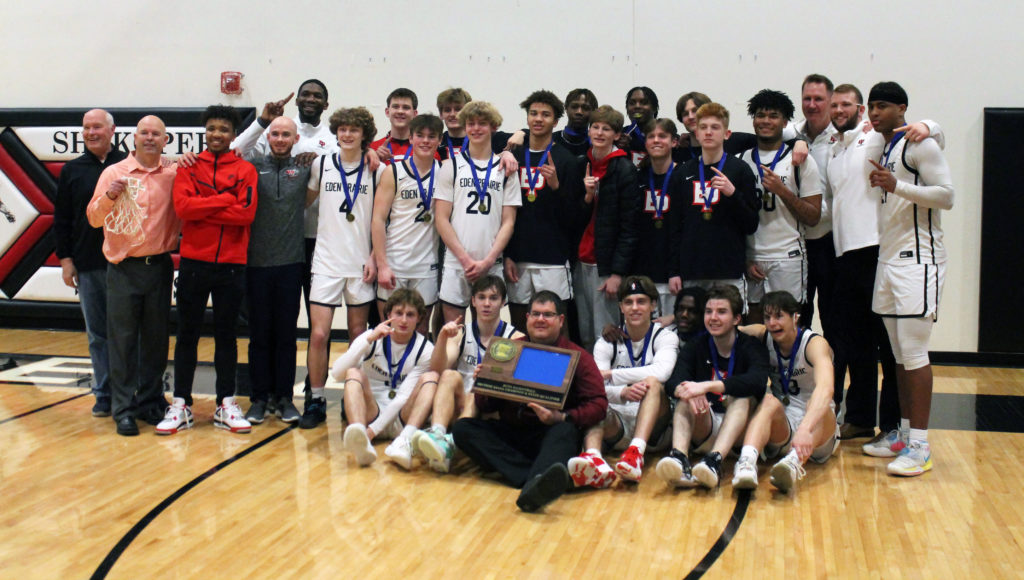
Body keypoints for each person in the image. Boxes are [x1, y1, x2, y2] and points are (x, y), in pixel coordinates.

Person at [826, 84, 943, 441]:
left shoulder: (874, 138)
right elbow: (797, 128)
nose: (838, 109)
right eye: (834, 105)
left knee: (895, 349)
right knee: (857, 345)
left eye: (847, 104)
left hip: (877, 251)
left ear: (860, 110)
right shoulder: (834, 148)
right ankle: (860, 419)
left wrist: (930, 123)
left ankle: (894, 426)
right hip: (845, 255)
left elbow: (923, 133)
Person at [864, 81, 954, 476]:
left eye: (882, 106)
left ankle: (921, 446)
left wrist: (897, 184)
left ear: (903, 108)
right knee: (898, 355)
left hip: (919, 261)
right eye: (871, 106)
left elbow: (947, 196)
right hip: (889, 260)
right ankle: (902, 434)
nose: (874, 113)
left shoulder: (921, 143)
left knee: (915, 354)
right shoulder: (883, 145)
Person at [452, 291, 607, 512]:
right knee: (463, 428)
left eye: (548, 315)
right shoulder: (508, 351)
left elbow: (599, 405)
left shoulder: (578, 356)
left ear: (560, 320)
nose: (540, 320)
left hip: (550, 434)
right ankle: (538, 478)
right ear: (526, 319)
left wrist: (561, 416)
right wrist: (485, 384)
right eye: (535, 314)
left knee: (566, 430)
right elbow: (487, 406)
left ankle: (534, 481)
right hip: (512, 433)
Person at [164, 105, 258, 435]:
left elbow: (245, 215)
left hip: (231, 265)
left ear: (234, 135)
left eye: (223, 129)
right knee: (187, 333)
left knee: (226, 337)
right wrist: (224, 198)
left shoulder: (245, 170)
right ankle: (180, 404)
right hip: (193, 262)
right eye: (211, 129)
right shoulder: (188, 167)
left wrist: (206, 203)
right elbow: (184, 208)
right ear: (205, 132)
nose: (216, 134)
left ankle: (226, 403)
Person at [86, 115, 181, 436]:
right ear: (134, 138)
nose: (150, 138)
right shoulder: (114, 173)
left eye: (157, 134)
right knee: (123, 342)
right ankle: (123, 408)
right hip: (123, 268)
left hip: (159, 267)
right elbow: (93, 219)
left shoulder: (173, 172)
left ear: (165, 140)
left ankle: (151, 401)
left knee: (156, 341)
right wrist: (109, 196)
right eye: (144, 133)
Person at [303, 107, 385, 429]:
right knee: (319, 333)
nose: (347, 135)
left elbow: (382, 219)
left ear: (365, 134)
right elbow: (303, 203)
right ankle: (316, 398)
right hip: (326, 261)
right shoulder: (320, 164)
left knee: (357, 335)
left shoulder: (375, 169)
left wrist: (375, 257)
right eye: (343, 129)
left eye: (354, 130)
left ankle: (355, 395)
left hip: (360, 263)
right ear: (336, 132)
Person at [656, 285, 769, 488]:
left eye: (721, 312)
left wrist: (708, 386)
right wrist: (687, 389)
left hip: (739, 434)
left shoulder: (751, 346)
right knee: (686, 395)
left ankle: (715, 461)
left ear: (736, 319)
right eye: (709, 312)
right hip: (704, 425)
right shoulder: (696, 345)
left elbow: (758, 380)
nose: (713, 317)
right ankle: (679, 458)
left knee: (742, 397)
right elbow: (673, 381)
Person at [568, 276, 677, 487]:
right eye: (629, 302)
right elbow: (594, 386)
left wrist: (612, 376)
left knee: (653, 383)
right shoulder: (606, 341)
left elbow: (662, 371)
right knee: (594, 405)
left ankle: (636, 453)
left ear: (653, 305)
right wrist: (621, 393)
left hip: (656, 428)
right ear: (621, 307)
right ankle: (594, 460)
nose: (635, 308)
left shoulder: (665, 336)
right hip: (618, 423)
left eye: (641, 301)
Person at [55, 109, 126, 417]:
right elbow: (62, 218)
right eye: (86, 128)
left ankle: (130, 391)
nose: (90, 132)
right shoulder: (72, 170)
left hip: (126, 263)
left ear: (112, 131)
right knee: (98, 334)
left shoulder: (129, 165)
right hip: (88, 263)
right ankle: (104, 393)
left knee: (127, 333)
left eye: (97, 127)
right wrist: (66, 260)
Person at [731, 291, 838, 492]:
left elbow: (826, 389)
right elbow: (725, 326)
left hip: (817, 428)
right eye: (767, 317)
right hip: (784, 425)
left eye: (779, 316)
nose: (772, 323)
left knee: (820, 406)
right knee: (769, 400)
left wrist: (805, 428)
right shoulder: (762, 335)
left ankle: (793, 462)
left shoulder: (814, 344)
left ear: (795, 317)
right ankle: (746, 463)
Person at [416, 275, 523, 473]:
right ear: (473, 301)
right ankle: (439, 435)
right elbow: (438, 369)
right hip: (459, 406)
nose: (487, 304)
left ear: (503, 302)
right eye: (481, 297)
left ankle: (452, 440)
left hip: (491, 409)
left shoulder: (514, 338)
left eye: (493, 298)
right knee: (449, 375)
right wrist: (440, 339)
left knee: (479, 384)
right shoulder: (461, 333)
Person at [239, 116, 308, 425]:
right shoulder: (251, 167)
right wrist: (261, 122)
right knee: (259, 336)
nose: (280, 139)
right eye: (275, 134)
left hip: (291, 264)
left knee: (286, 336)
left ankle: (284, 398)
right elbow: (234, 148)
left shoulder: (306, 168)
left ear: (295, 138)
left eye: (286, 135)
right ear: (268, 137)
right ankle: (259, 398)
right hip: (256, 266)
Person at [328, 289, 438, 469]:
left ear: (419, 318)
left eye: (410, 315)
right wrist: (368, 340)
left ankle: (402, 441)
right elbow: (337, 373)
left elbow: (402, 397)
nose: (403, 320)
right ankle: (359, 436)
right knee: (353, 373)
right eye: (398, 313)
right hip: (372, 412)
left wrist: (372, 432)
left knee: (431, 378)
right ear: (388, 315)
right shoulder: (371, 337)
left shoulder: (425, 349)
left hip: (401, 416)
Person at [434, 101, 521, 324]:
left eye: (482, 123)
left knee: (487, 335)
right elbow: (441, 218)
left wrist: (488, 261)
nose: (476, 128)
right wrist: (464, 259)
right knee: (453, 334)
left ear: (493, 127)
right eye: (471, 123)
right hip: (456, 263)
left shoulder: (506, 168)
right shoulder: (450, 166)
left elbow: (509, 222)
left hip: (492, 263)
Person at [740, 89, 823, 322]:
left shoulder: (800, 161)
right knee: (754, 327)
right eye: (760, 115)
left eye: (773, 115)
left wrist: (782, 191)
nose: (766, 121)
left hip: (788, 255)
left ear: (785, 122)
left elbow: (813, 216)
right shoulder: (741, 160)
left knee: (787, 326)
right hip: (752, 257)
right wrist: (744, 259)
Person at [505, 90, 583, 331]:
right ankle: (520, 370)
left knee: (556, 326)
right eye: (533, 113)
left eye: (545, 115)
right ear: (527, 119)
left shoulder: (566, 160)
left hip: (553, 259)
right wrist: (507, 253)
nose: (538, 119)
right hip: (517, 257)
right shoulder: (513, 154)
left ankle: (557, 370)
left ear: (556, 121)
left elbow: (575, 217)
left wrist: (557, 188)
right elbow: (503, 211)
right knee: (520, 326)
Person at [668, 103, 759, 300]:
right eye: (703, 127)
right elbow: (674, 226)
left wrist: (732, 193)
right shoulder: (683, 172)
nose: (708, 132)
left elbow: (751, 224)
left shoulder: (740, 170)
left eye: (715, 127)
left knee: (727, 327)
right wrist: (673, 270)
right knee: (694, 328)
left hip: (729, 270)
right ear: (697, 133)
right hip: (692, 270)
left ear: (727, 134)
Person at [574, 105, 640, 349]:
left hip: (607, 265)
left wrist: (617, 274)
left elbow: (630, 226)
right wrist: (588, 196)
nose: (599, 133)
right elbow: (574, 216)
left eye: (606, 129)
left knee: (607, 333)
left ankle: (608, 385)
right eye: (595, 127)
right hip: (581, 260)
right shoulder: (582, 163)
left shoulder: (625, 169)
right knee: (585, 332)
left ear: (616, 134)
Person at [372, 113, 443, 336]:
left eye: (431, 137)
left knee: (421, 329)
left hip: (426, 263)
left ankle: (417, 372)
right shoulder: (394, 171)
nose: (425, 141)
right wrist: (382, 264)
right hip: (395, 261)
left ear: (439, 141)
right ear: (410, 138)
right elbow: (378, 219)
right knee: (390, 328)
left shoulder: (446, 171)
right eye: (419, 135)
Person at [794, 74, 839, 333]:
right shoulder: (791, 133)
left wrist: (930, 125)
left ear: (831, 101)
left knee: (834, 318)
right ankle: (801, 374)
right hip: (798, 242)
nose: (812, 104)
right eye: (807, 98)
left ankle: (832, 374)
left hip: (830, 241)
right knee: (800, 317)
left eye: (819, 99)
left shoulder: (848, 135)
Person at [632, 118, 687, 316]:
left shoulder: (684, 176)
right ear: (645, 142)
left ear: (674, 141)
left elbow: (684, 229)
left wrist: (677, 270)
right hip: (643, 271)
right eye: (651, 136)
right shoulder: (637, 177)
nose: (656, 140)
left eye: (662, 136)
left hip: (675, 275)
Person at [371, 88, 419, 164]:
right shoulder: (373, 149)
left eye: (406, 107)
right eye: (395, 107)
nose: (400, 111)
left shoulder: (425, 149)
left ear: (415, 114)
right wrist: (375, 161)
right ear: (387, 112)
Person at [618, 86, 659, 166]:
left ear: (654, 108)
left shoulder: (665, 137)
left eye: (644, 102)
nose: (637, 106)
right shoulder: (619, 136)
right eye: (632, 103)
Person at [553, 88, 597, 156]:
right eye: (574, 107)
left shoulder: (597, 145)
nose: (579, 112)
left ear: (594, 111)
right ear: (566, 108)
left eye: (585, 108)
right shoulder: (551, 141)